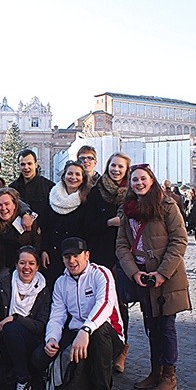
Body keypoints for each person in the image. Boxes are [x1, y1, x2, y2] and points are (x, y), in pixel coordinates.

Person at [116, 164, 191, 390]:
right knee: (151, 324)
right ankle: (155, 371)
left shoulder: (167, 205)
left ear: (152, 180)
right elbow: (122, 245)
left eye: (143, 179)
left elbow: (179, 240)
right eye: (135, 180)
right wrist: (133, 272)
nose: (138, 183)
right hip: (142, 275)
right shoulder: (127, 209)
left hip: (166, 276)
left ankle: (169, 375)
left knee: (165, 326)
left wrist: (162, 273)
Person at [35, 237, 124, 390]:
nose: (72, 261)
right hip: (77, 333)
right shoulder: (61, 282)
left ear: (87, 255)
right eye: (67, 257)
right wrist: (51, 339)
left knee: (98, 334)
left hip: (106, 333)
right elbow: (57, 315)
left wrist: (86, 330)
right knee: (38, 356)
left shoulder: (101, 274)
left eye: (76, 255)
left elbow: (105, 304)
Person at [0, 246, 51, 390]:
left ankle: (23, 380)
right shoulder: (4, 284)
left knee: (11, 327)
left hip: (33, 341)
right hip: (5, 342)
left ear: (37, 266)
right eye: (22, 263)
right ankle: (14, 372)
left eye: (31, 263)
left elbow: (41, 325)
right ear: (16, 265)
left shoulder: (44, 289)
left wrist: (15, 318)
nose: (26, 267)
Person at [83, 152, 131, 372]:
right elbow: (88, 225)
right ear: (107, 167)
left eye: (120, 167)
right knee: (99, 302)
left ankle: (120, 349)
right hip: (101, 254)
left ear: (126, 170)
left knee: (121, 304)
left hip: (124, 256)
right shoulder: (96, 192)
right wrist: (110, 222)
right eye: (113, 165)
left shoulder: (132, 194)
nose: (116, 170)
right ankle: (101, 347)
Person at [41, 160, 89, 286]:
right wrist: (44, 250)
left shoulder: (87, 199)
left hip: (76, 256)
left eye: (77, 174)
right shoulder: (52, 195)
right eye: (70, 173)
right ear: (64, 176)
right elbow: (45, 226)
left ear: (83, 178)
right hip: (54, 252)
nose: (73, 177)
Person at [0, 187, 41, 268]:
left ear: (14, 205)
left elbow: (37, 247)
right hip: (1, 271)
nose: (3, 208)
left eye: (7, 204)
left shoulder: (27, 222)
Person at [9, 148, 54, 222]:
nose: (26, 167)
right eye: (23, 164)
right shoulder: (12, 188)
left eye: (29, 163)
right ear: (19, 166)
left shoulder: (49, 187)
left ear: (36, 164)